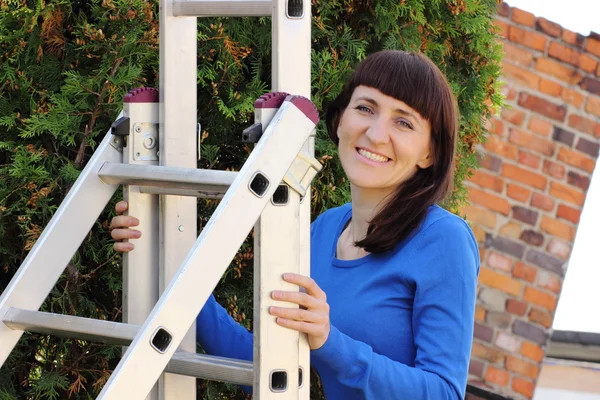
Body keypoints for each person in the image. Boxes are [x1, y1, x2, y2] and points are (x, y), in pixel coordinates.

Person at [110, 50, 480, 399]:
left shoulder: (443, 240)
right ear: (340, 121)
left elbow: (445, 392)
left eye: (403, 121)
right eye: (366, 108)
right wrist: (168, 258)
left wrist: (330, 342)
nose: (377, 133)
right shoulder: (323, 230)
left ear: (430, 152)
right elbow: (266, 367)